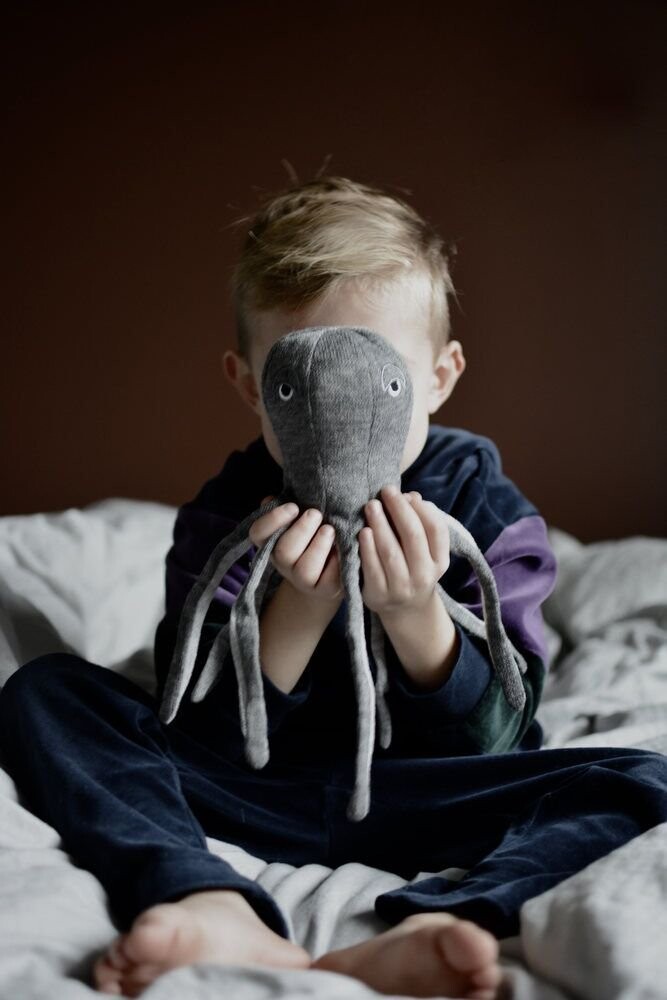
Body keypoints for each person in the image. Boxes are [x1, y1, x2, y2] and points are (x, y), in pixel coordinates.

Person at [1, 176, 665, 1000]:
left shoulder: (480, 505)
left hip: (427, 795)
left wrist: (417, 616)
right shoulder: (228, 516)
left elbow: (504, 735)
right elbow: (199, 730)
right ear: (250, 384)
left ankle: (432, 923)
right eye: (297, 387)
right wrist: (298, 608)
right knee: (50, 693)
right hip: (248, 792)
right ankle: (207, 900)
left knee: (640, 779)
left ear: (439, 376)